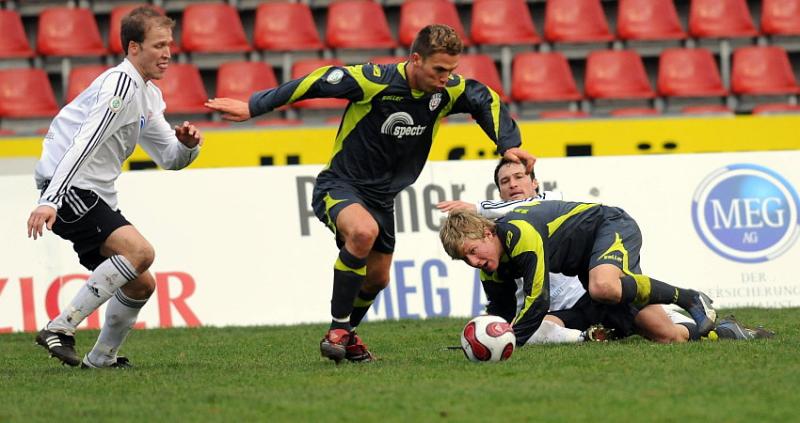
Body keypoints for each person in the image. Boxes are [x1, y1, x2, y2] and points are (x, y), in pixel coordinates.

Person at [205, 24, 535, 363]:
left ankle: (346, 336)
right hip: (340, 185)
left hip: (382, 199)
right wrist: (254, 106)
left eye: (451, 70)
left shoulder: (446, 90)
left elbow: (484, 98)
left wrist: (509, 144)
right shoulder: (374, 80)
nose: (445, 78)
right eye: (438, 69)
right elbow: (317, 80)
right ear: (416, 59)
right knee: (363, 232)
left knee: (377, 279)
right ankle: (337, 329)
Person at [27, 6, 202, 368]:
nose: (168, 53)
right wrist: (50, 200)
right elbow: (84, 142)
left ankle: (101, 359)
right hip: (69, 187)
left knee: (140, 284)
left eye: (169, 44)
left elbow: (169, 158)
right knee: (141, 252)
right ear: (133, 48)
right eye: (158, 45)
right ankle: (60, 327)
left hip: (90, 193)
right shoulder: (120, 86)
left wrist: (187, 145)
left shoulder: (148, 96)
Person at [438, 158, 701, 344]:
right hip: (583, 284)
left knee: (605, 287)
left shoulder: (522, 225)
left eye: (519, 177)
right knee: (667, 336)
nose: (473, 261)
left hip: (610, 227)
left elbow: (538, 299)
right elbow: (502, 312)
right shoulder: (490, 260)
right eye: (465, 259)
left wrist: (508, 343)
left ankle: (687, 298)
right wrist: (478, 339)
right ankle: (720, 331)